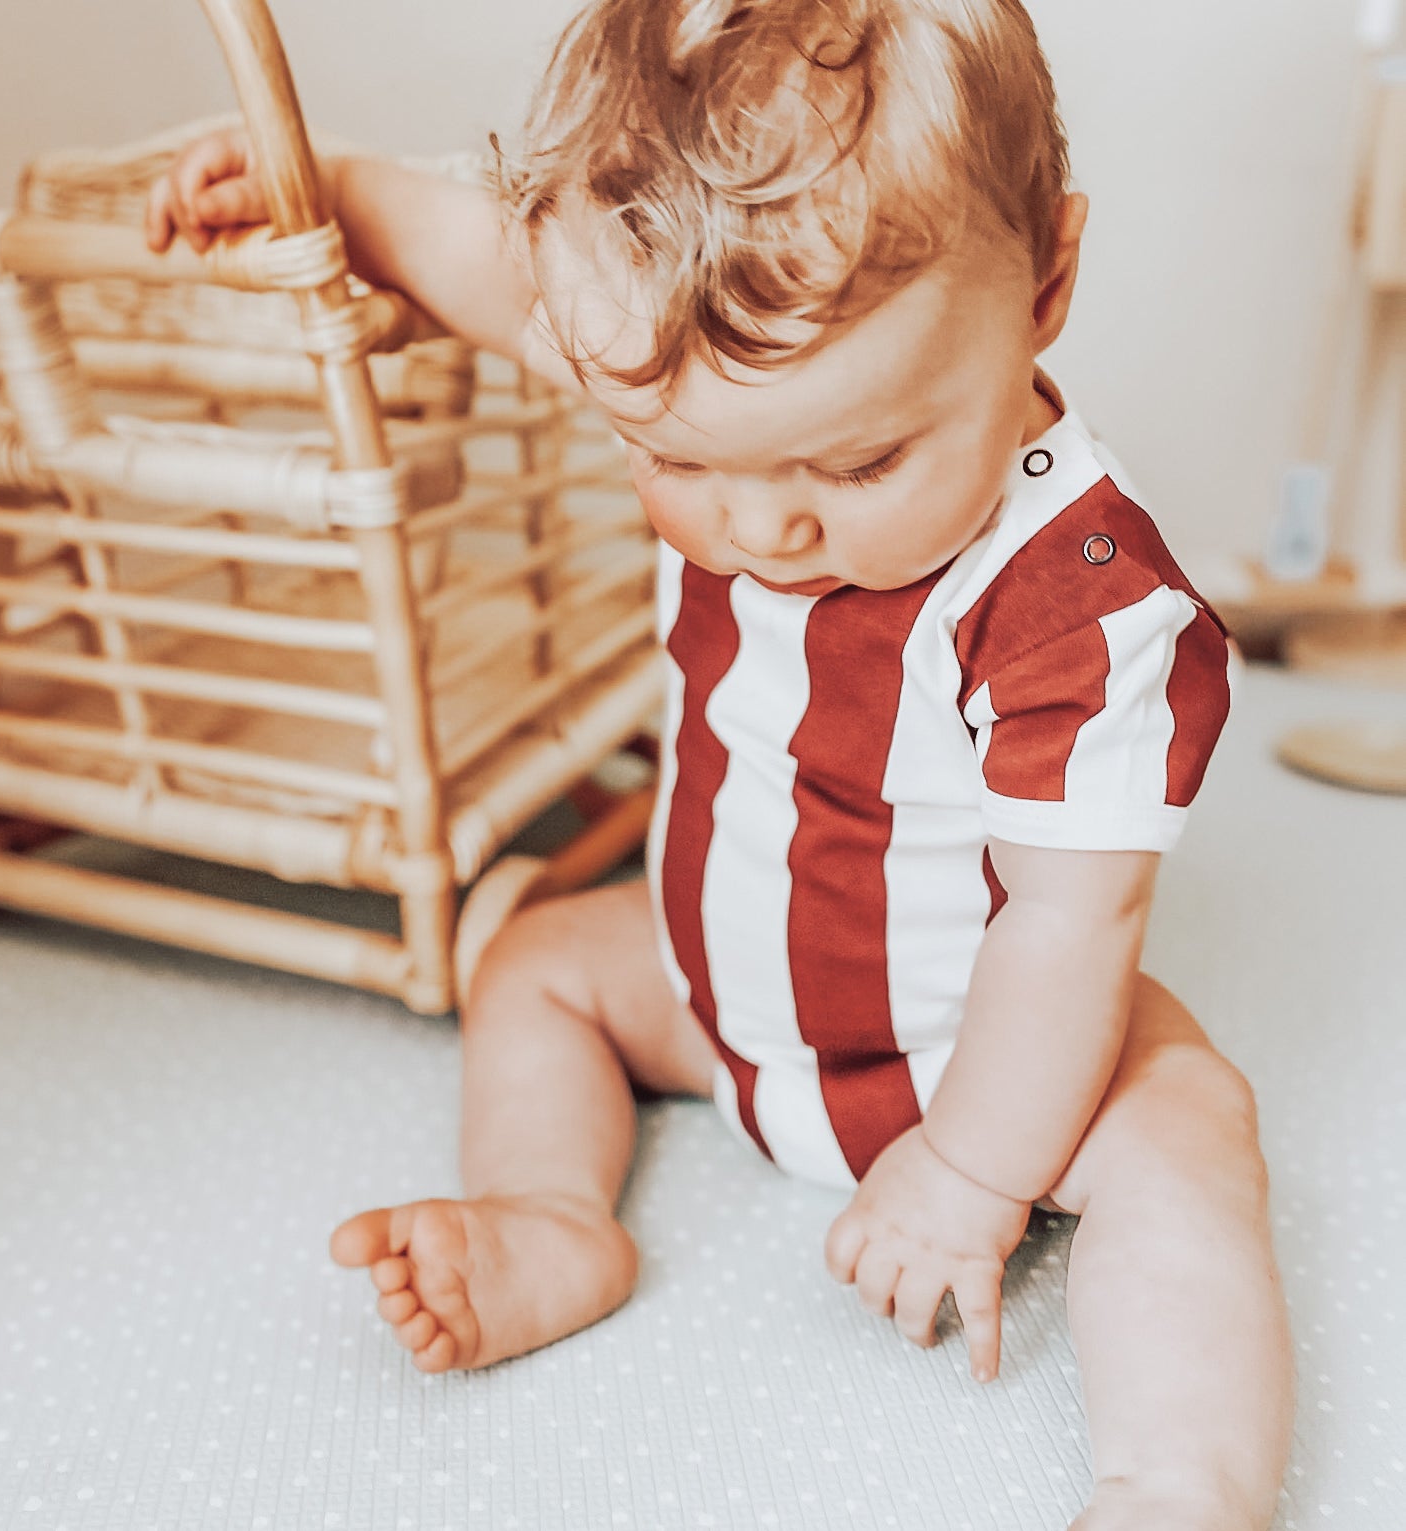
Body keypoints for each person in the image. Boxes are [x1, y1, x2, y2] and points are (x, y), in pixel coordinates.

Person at [146, 2, 1293, 1524]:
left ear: (1047, 287)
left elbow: (1074, 921)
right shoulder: (686, 362)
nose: (761, 529)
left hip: (972, 1047)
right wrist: (338, 193)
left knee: (1190, 1124)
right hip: (709, 997)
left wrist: (969, 1174)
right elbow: (501, 275)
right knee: (536, 960)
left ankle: (1180, 1479)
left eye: (862, 460)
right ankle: (552, 1215)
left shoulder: (1084, 597)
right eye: (678, 462)